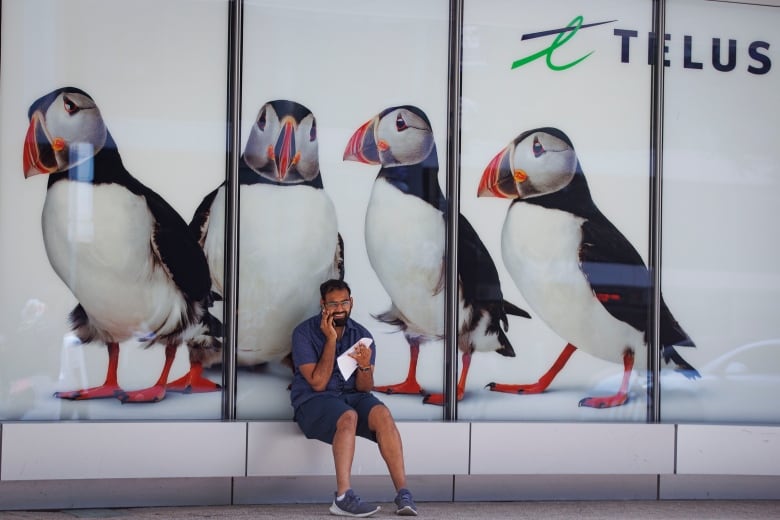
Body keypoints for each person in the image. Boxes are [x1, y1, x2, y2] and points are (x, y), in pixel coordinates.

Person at [290, 279, 418, 517]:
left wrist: (365, 366)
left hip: (350, 397)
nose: (340, 309)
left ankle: (404, 494)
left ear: (352, 302)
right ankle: (342, 497)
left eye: (344, 302)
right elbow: (317, 383)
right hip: (313, 403)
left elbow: (365, 388)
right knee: (347, 416)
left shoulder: (362, 335)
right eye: (333, 304)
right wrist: (330, 340)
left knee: (383, 414)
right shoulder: (303, 333)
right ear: (323, 304)